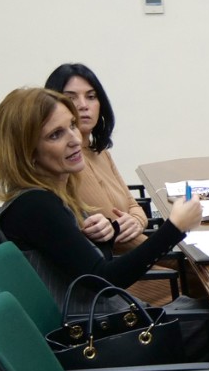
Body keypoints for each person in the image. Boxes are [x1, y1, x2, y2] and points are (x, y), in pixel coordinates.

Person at [0, 88, 202, 313]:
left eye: (72, 125)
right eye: (56, 134)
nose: (75, 139)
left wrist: (107, 233)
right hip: (104, 329)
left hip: (114, 318)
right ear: (28, 152)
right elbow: (105, 281)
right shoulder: (36, 206)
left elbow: (82, 266)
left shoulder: (51, 196)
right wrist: (175, 228)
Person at [43, 63, 149, 253]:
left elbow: (133, 205)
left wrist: (136, 221)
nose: (83, 105)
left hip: (141, 255)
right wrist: (173, 252)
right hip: (122, 264)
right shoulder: (68, 164)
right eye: (71, 98)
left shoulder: (101, 153)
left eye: (91, 97)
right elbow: (116, 234)